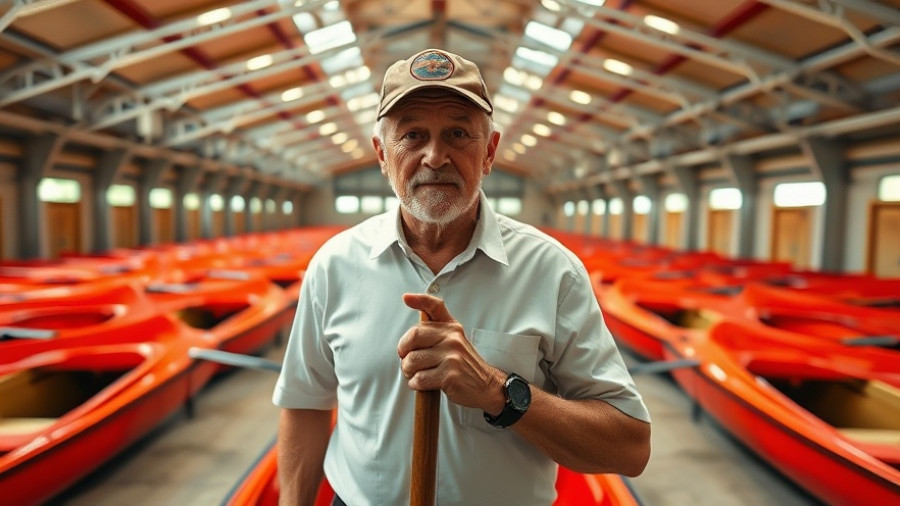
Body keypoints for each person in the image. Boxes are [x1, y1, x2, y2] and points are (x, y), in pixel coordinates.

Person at [273, 48, 651, 506]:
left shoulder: (552, 272)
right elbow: (306, 402)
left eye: (458, 133)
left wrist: (497, 392)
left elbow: (630, 446)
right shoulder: (334, 265)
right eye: (413, 135)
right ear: (381, 155)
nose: (435, 156)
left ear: (489, 152)